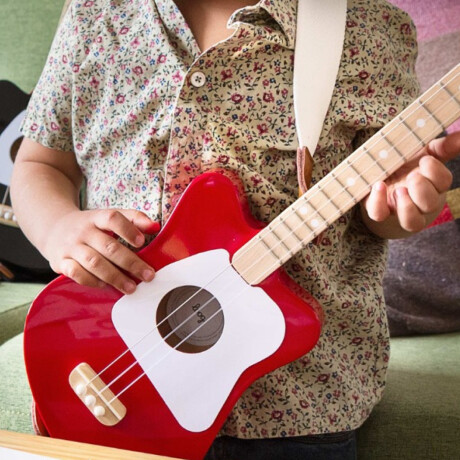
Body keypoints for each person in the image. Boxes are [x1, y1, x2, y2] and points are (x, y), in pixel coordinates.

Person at [10, 0, 460, 458]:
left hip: (296, 406)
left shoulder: (369, 29)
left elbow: (382, 197)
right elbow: (42, 163)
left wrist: (402, 203)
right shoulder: (95, 15)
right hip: (110, 373)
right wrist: (57, 227)